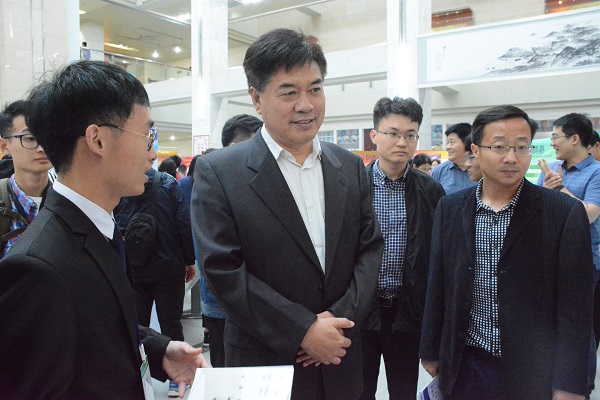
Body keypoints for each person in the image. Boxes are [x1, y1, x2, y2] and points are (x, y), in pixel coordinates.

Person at [191, 28, 383, 399]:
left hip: (341, 355)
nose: (306, 105)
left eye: (315, 89)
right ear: (257, 98)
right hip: (266, 362)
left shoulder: (349, 166)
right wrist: (303, 330)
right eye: (289, 92)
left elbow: (369, 249)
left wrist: (337, 322)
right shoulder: (220, 172)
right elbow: (222, 270)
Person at [0, 60, 208, 399]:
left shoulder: (99, 226)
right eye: (146, 136)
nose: (152, 153)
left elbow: (99, 325)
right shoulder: (37, 268)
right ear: (97, 140)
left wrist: (159, 350)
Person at [420, 105, 594, 400]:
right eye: (499, 146)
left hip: (533, 370)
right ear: (476, 150)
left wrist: (569, 385)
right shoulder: (451, 207)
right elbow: (438, 281)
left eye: (521, 147)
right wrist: (430, 349)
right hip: (465, 362)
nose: (512, 157)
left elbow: (575, 308)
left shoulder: (563, 212)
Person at [360, 97, 444, 400]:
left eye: (410, 135)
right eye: (393, 133)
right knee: (358, 391)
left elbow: (438, 256)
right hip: (360, 310)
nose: (402, 142)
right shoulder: (354, 186)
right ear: (374, 136)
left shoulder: (431, 190)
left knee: (404, 391)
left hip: (408, 310)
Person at [115, 167, 197, 397]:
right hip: (168, 265)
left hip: (135, 267)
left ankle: (140, 380)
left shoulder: (122, 182)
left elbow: (117, 223)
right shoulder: (169, 184)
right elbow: (183, 223)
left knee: (137, 325)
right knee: (171, 323)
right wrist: (189, 260)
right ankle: (177, 380)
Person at [536, 113, 600, 395]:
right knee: (548, 322)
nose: (552, 143)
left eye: (555, 137)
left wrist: (559, 188)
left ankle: (581, 387)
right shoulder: (550, 168)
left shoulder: (597, 172)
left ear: (575, 139)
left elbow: (588, 215)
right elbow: (536, 210)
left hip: (583, 262)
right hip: (548, 258)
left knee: (580, 326)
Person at [197, 114, 262, 368]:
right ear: (235, 148)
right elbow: (213, 261)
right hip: (222, 307)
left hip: (257, 311)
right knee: (226, 374)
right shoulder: (213, 187)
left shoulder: (256, 185)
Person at [0, 100, 52, 257]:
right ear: (4, 146)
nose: (42, 148)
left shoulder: (69, 202)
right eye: (30, 138)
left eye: (48, 137)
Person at [431, 123, 476, 194]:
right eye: (447, 142)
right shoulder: (439, 171)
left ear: (467, 142)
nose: (447, 147)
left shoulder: (480, 170)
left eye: (452, 142)